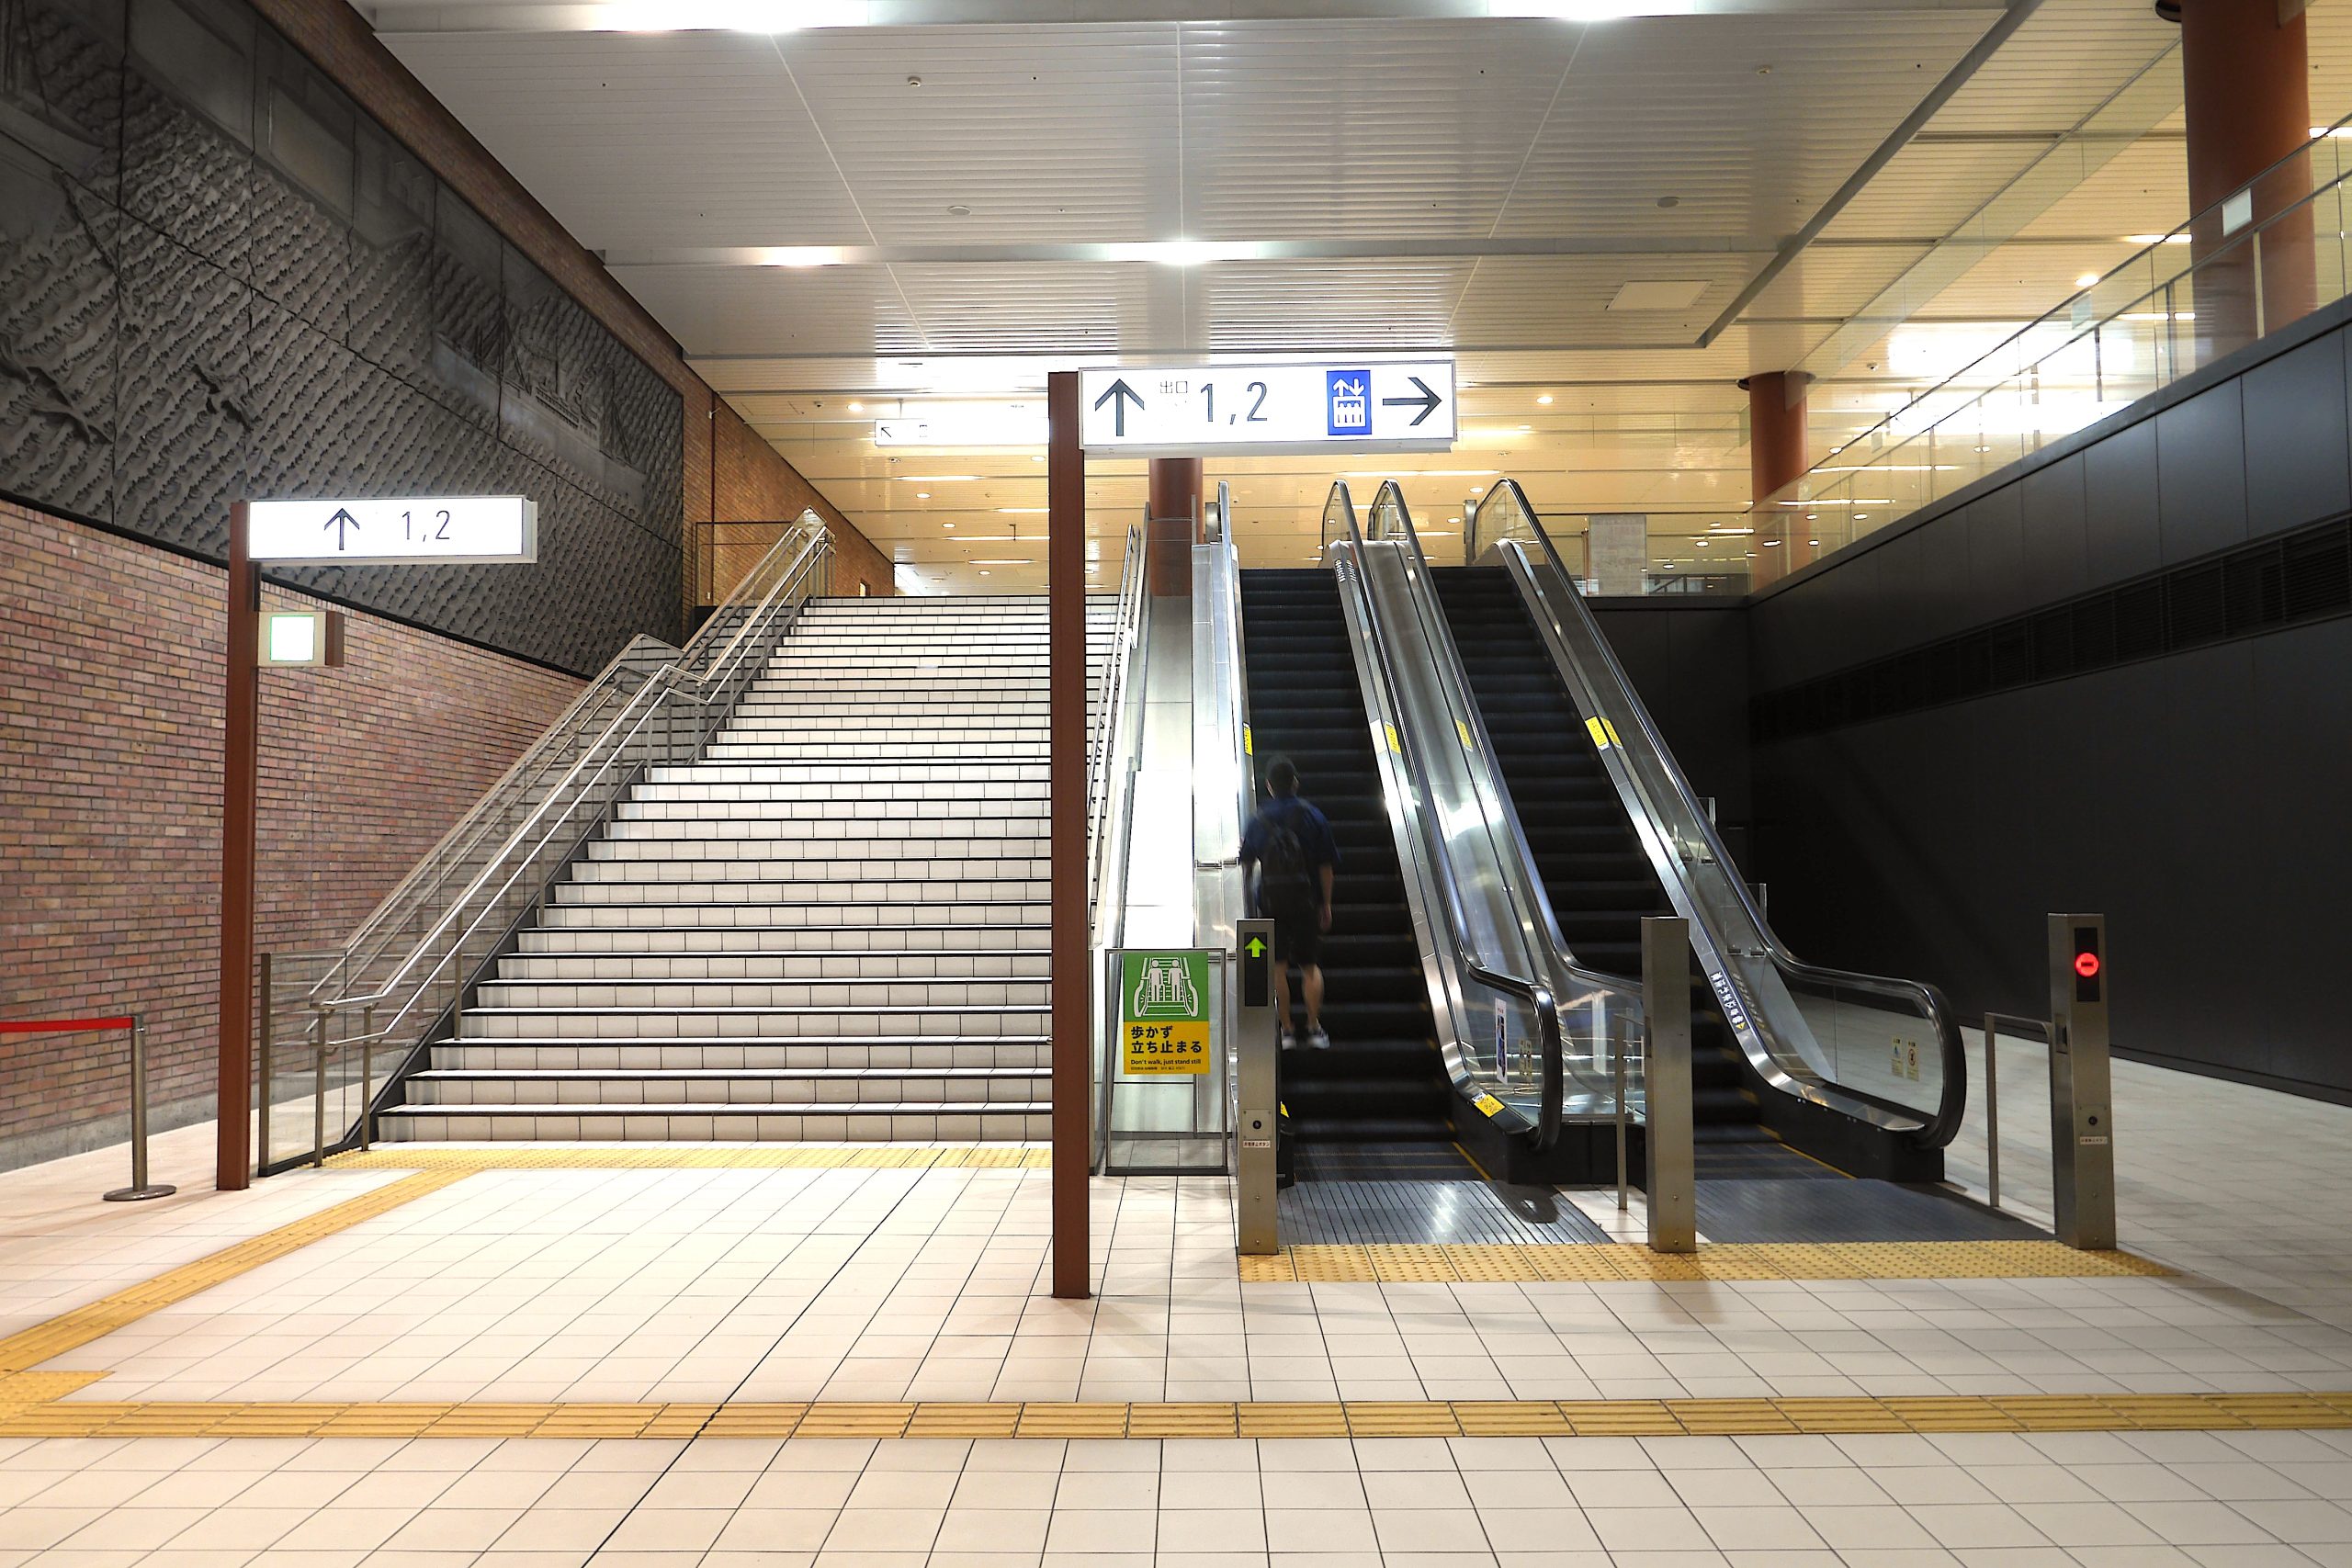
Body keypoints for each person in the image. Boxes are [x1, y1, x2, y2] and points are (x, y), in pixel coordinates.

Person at [1239, 756, 1339, 1049]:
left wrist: (1250, 905)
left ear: (1269, 786)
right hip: (1305, 902)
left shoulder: (1258, 820)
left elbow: (1245, 864)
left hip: (1271, 903)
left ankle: (1286, 1030)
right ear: (1296, 782)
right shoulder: (1314, 816)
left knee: (1277, 966)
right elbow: (1325, 866)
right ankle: (1314, 1027)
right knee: (1309, 966)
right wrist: (1327, 904)